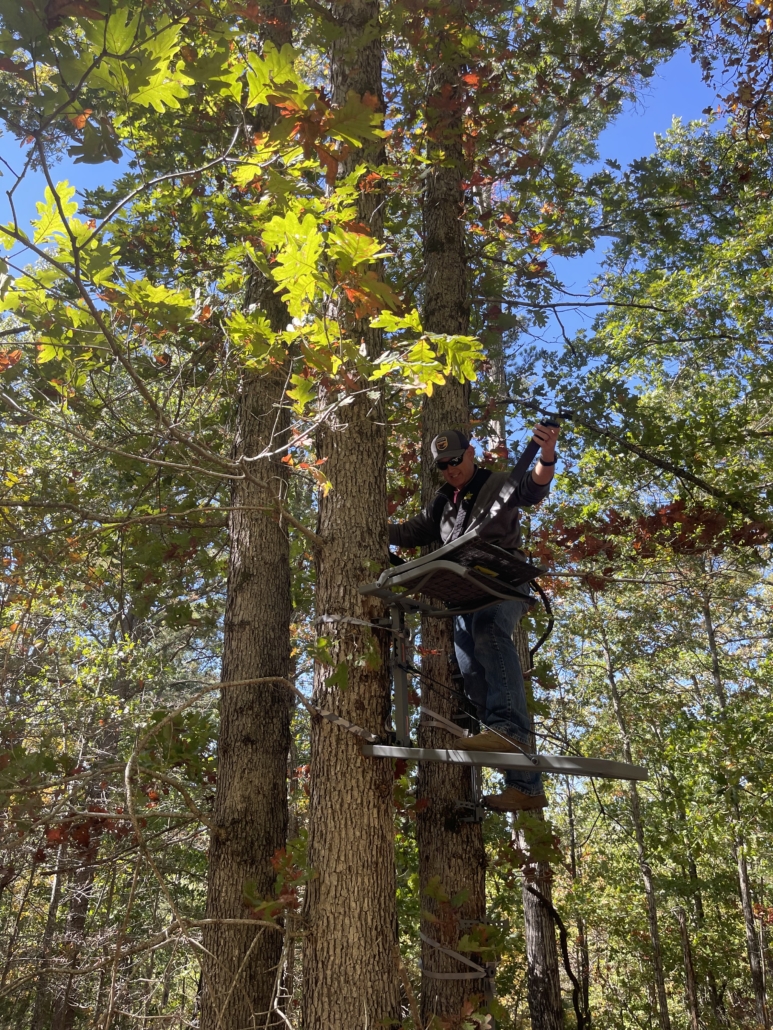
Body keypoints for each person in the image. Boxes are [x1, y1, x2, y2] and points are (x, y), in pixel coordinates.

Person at [388, 423, 560, 812]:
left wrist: (546, 454)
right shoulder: (442, 502)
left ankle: (507, 730)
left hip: (503, 583)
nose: (451, 470)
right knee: (472, 672)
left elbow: (533, 487)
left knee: (489, 634)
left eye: (455, 461)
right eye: (443, 465)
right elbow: (413, 531)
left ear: (471, 453)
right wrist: (372, 531)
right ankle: (525, 787)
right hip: (467, 591)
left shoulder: (497, 483)